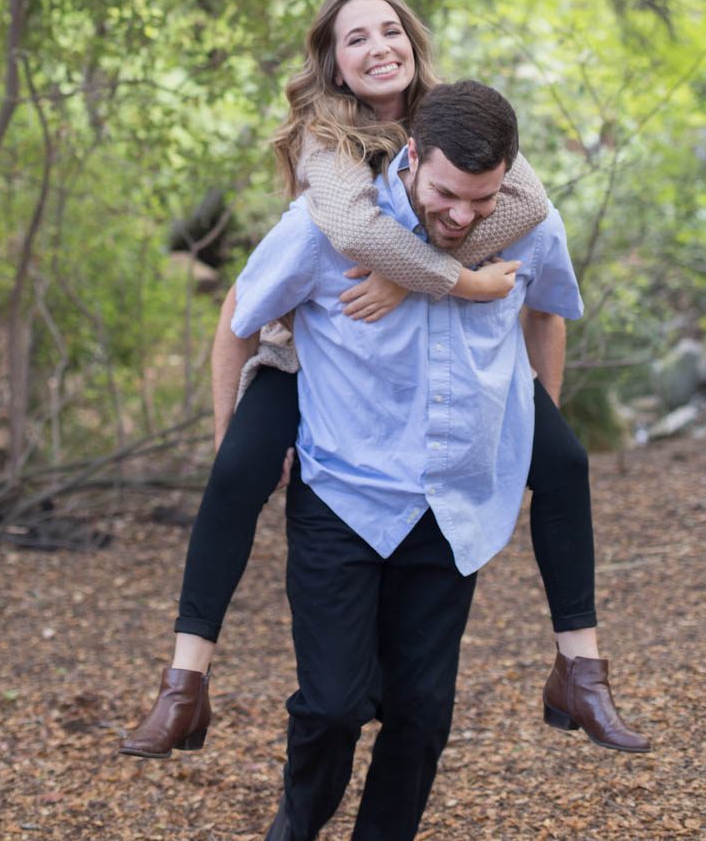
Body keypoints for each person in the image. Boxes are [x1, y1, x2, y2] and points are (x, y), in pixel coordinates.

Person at [119, 0, 648, 762]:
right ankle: (185, 683)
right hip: (307, 352)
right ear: (332, 60)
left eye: (391, 30)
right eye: (355, 37)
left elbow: (525, 204)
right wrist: (453, 279)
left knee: (563, 461)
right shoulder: (324, 140)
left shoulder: (459, 118)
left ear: (414, 40)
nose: (378, 47)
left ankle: (580, 665)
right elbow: (356, 230)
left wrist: (415, 274)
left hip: (415, 344)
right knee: (235, 471)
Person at [236, 79, 589, 839]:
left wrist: (529, 426)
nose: (463, 218)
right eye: (448, 196)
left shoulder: (522, 226)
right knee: (332, 706)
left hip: (452, 506)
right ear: (412, 156)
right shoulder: (328, 228)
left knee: (422, 714)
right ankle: (293, 830)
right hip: (343, 499)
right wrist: (238, 449)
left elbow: (550, 308)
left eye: (484, 201)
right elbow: (241, 315)